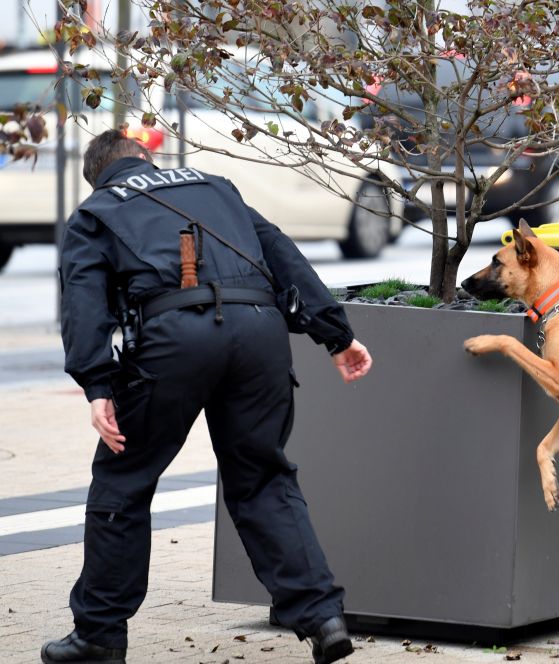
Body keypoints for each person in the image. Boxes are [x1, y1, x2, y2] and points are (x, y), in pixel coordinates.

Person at [41, 129, 372, 664]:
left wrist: (96, 384)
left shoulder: (97, 210)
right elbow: (282, 255)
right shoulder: (218, 187)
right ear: (148, 160)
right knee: (263, 477)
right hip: (262, 333)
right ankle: (322, 617)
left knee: (124, 481)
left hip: (174, 337)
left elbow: (83, 303)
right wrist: (334, 333)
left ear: (98, 174)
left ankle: (99, 635)